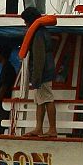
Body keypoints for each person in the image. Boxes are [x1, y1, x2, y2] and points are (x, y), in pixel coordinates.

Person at [21, 7, 57, 137]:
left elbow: (39, 57)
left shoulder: (37, 34)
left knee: (47, 99)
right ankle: (39, 128)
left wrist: (36, 77)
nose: (25, 24)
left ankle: (52, 129)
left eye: (25, 21)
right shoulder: (42, 32)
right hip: (46, 71)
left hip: (43, 73)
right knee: (40, 100)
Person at [0, 46, 17, 134]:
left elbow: (4, 87)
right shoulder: (8, 67)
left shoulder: (7, 69)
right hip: (2, 102)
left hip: (2, 103)